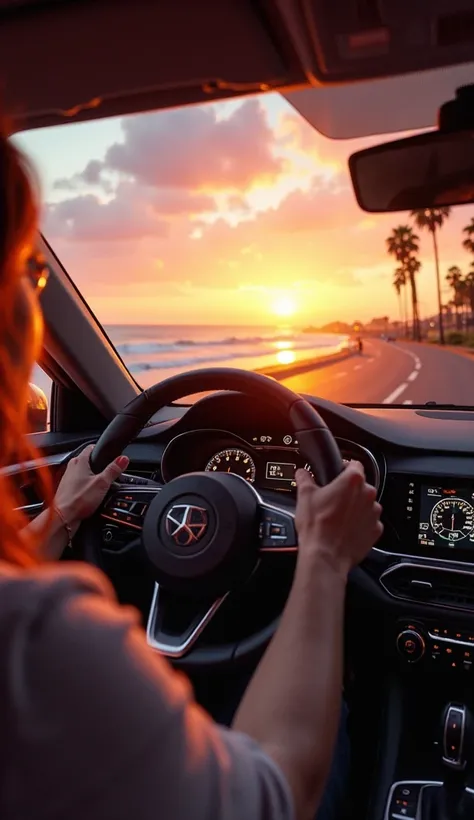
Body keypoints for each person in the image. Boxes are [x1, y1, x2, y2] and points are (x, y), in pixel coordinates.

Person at [0, 133, 383, 820]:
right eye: (31, 274)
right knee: (349, 717)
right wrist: (323, 556)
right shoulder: (41, 641)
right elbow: (276, 791)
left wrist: (61, 517)